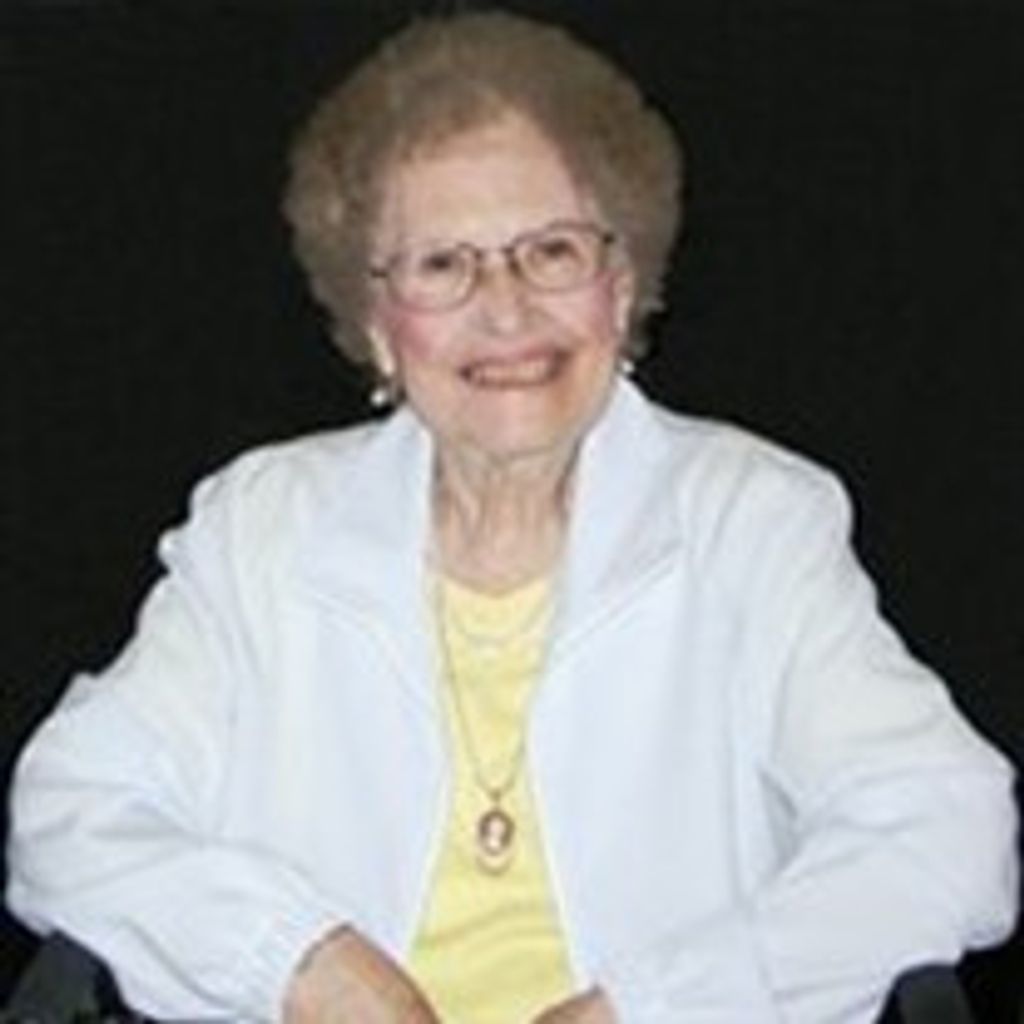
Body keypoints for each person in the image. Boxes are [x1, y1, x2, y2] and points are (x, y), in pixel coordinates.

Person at [5, 10, 1017, 1024]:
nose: (506, 310)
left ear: (620, 288)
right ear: (378, 325)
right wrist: (294, 961)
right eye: (444, 265)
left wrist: (653, 1005)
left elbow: (947, 834)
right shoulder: (260, 527)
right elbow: (72, 814)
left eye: (552, 252)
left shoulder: (753, 523)